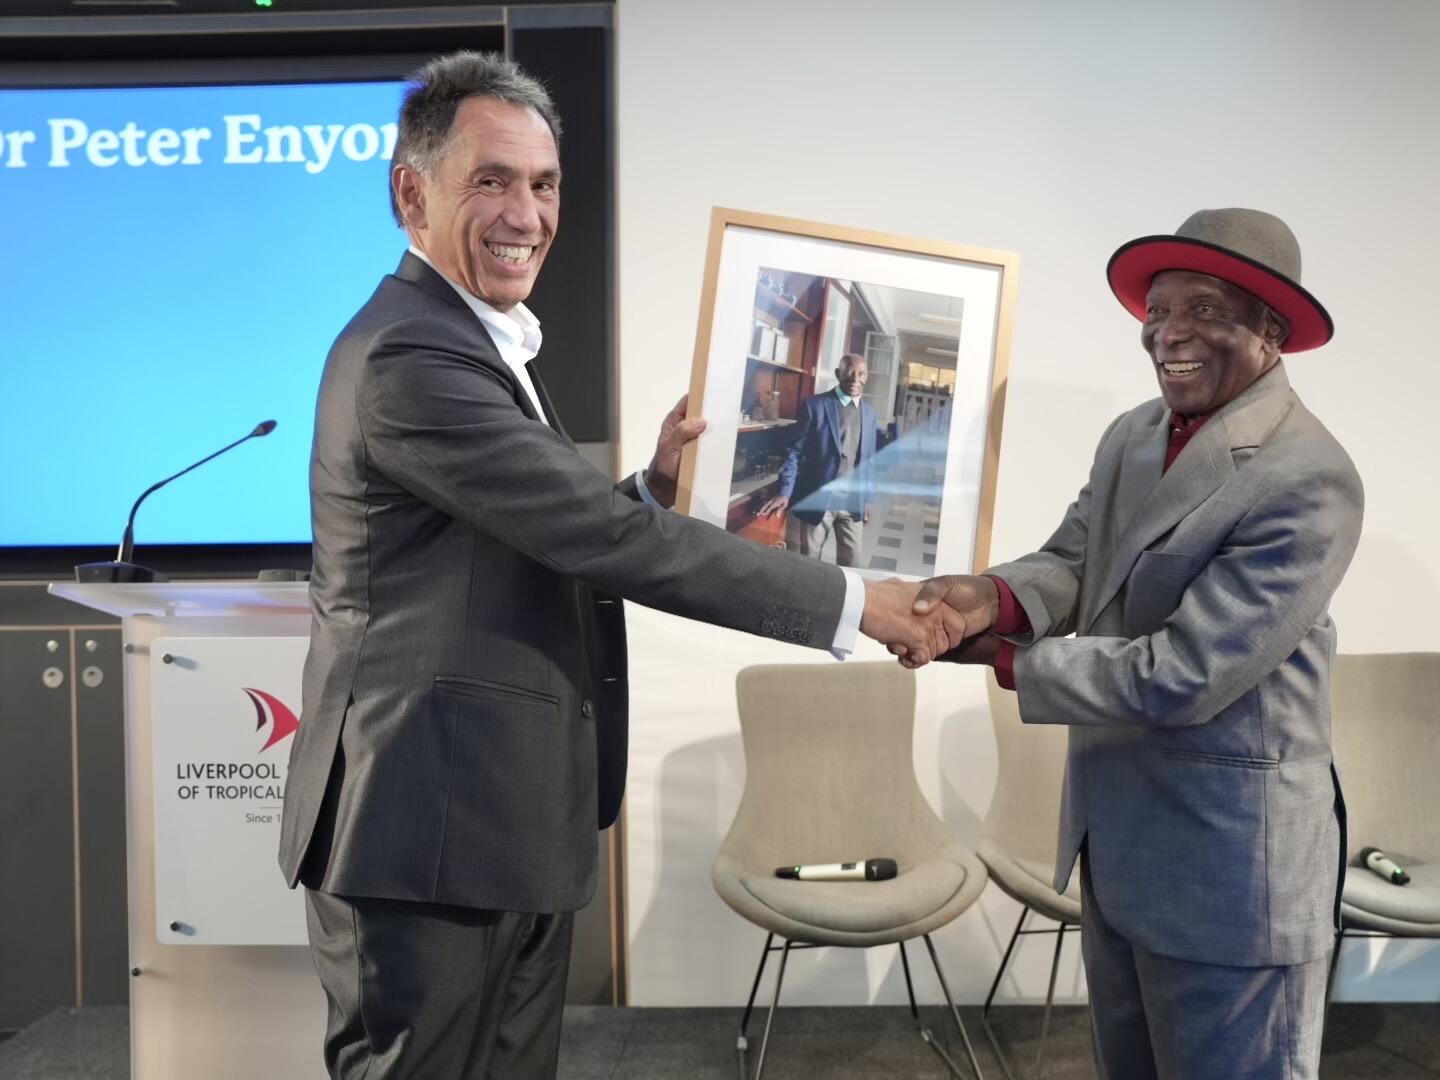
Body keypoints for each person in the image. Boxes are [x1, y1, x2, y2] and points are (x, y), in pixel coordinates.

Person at [277, 52, 959, 1080]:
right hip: (421, 825)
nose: (526, 214)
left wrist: (647, 485)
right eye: (493, 180)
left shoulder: (480, 340)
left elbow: (546, 531)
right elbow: (601, 542)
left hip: (495, 815)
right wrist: (860, 601)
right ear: (410, 194)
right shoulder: (409, 356)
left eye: (543, 185)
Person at [909, 208, 1363, 1079]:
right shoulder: (1132, 435)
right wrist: (988, 597)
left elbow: (1185, 675)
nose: (1167, 334)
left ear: (1271, 331)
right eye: (1158, 309)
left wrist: (1003, 656)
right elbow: (1077, 561)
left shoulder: (1309, 475)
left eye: (1203, 308)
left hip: (1233, 874)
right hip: (1121, 846)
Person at [758, 352, 881, 566]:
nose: (855, 378)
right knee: (810, 565)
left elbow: (868, 460)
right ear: (838, 373)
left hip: (852, 502)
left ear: (867, 377)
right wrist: (785, 492)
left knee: (852, 566)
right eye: (849, 372)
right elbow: (793, 451)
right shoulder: (815, 406)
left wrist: (867, 499)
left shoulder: (870, 414)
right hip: (818, 499)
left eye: (861, 373)